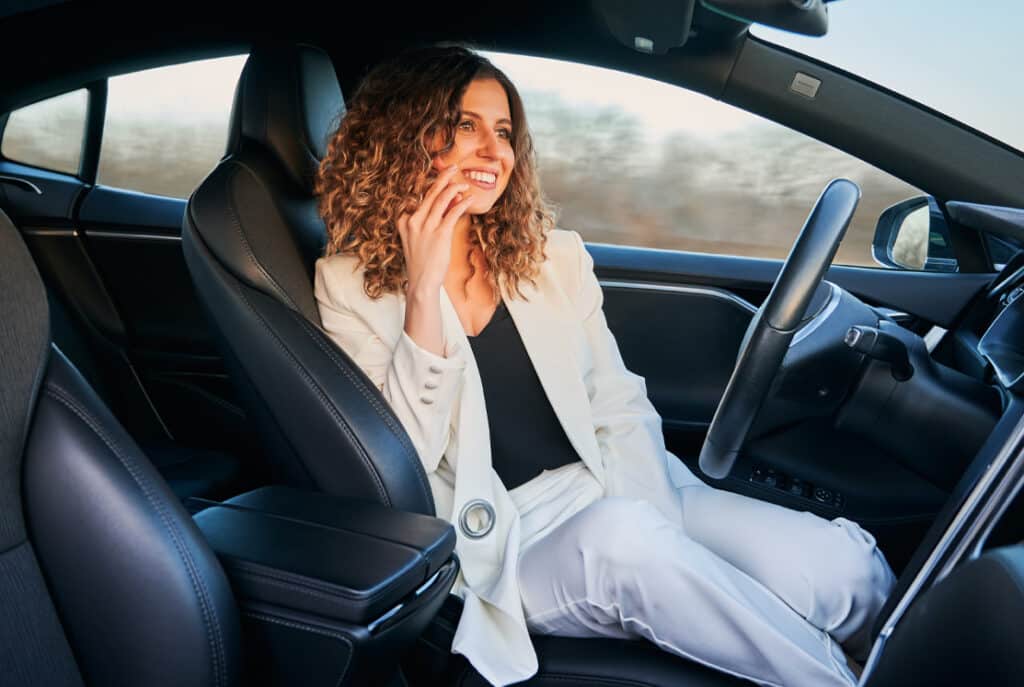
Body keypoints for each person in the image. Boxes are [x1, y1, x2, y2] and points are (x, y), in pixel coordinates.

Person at [313, 45, 895, 687]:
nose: (493, 151)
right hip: (508, 545)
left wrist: (665, 524)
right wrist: (422, 289)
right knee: (625, 541)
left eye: (504, 131)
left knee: (845, 568)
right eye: (464, 125)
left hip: (622, 485)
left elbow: (618, 401)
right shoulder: (348, 288)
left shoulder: (552, 259)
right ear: (405, 136)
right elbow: (405, 456)